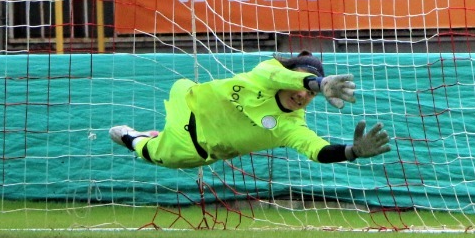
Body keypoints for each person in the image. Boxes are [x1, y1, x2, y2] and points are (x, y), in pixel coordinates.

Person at [109, 52, 392, 170]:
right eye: (302, 85)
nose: (303, 95)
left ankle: (133, 137)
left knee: (153, 153)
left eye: (310, 95)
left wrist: (351, 152)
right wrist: (317, 83)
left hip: (194, 147)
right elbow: (280, 76)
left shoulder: (290, 125)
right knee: (180, 90)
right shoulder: (265, 73)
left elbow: (315, 149)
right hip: (188, 99)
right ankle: (146, 137)